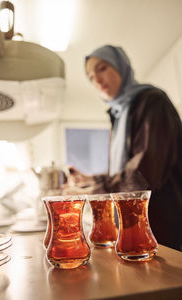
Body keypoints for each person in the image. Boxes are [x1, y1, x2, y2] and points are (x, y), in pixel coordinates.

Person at [63, 45, 182, 251]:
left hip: (164, 227)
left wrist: (97, 190)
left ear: (121, 67)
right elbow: (126, 170)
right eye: (90, 77)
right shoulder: (119, 114)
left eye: (102, 69)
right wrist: (91, 180)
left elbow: (144, 173)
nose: (97, 80)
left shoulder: (152, 101)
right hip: (139, 227)